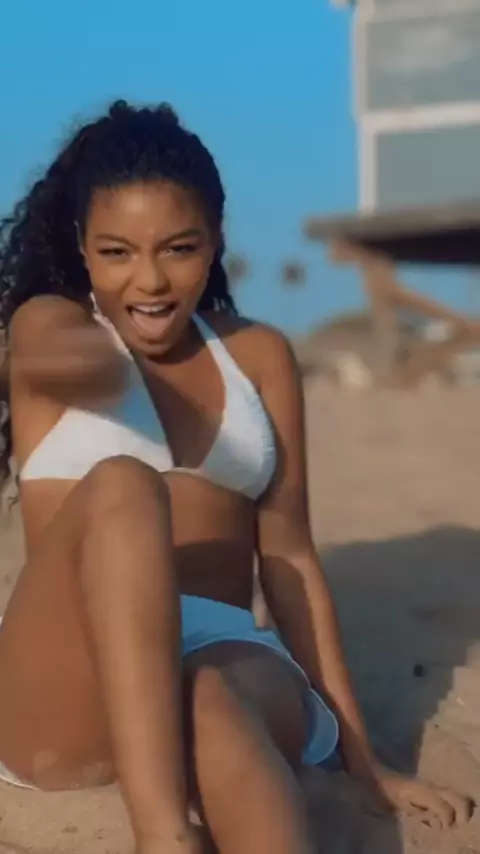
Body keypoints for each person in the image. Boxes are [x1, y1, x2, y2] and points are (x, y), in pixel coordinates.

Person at [0, 101, 470, 854]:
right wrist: (87, 363)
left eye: (178, 249)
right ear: (82, 246)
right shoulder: (50, 323)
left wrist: (366, 760)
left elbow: (289, 559)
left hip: (218, 651)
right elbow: (48, 352)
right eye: (117, 252)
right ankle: (165, 837)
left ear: (215, 239)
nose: (150, 280)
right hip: (71, 668)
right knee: (125, 485)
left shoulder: (258, 356)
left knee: (214, 703)